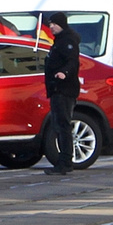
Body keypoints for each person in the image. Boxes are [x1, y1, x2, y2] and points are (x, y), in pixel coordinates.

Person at [43, 11, 82, 175]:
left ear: (62, 24)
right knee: (59, 126)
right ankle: (64, 161)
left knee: (63, 126)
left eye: (54, 24)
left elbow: (73, 61)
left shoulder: (67, 41)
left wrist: (64, 73)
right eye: (50, 24)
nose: (51, 27)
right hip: (56, 89)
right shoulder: (59, 41)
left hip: (63, 89)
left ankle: (65, 162)